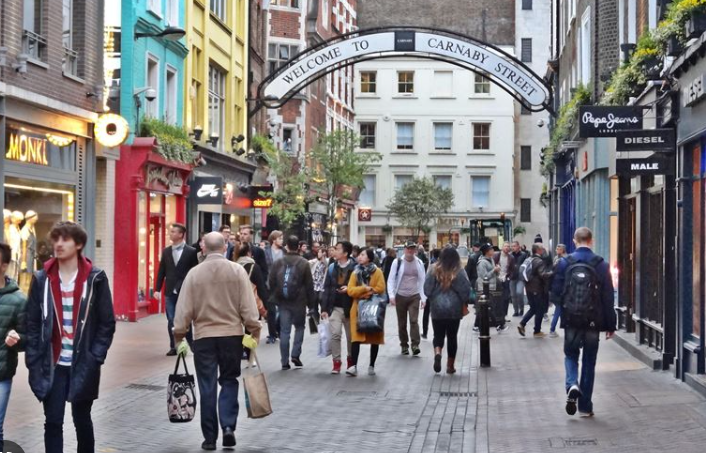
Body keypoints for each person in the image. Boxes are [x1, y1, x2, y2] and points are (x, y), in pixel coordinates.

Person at [25, 221, 116, 453]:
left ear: (79, 244)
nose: (58, 244)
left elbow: (107, 323)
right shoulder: (42, 279)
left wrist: (96, 356)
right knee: (53, 421)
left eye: (64, 239)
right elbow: (32, 322)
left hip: (83, 362)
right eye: (55, 239)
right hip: (52, 363)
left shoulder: (95, 279)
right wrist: (34, 357)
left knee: (81, 420)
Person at [173, 232, 262, 450]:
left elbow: (183, 310)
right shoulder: (237, 271)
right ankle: (228, 426)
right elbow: (249, 308)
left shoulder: (194, 274)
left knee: (207, 385)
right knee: (229, 380)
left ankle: (210, 438)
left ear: (204, 248)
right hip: (232, 335)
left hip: (203, 337)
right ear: (224, 248)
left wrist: (179, 336)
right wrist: (253, 330)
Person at [551, 227, 615, 417]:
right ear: (591, 241)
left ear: (574, 240)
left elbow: (554, 292)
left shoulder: (564, 263)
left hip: (571, 319)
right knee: (589, 361)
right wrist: (610, 325)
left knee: (570, 355)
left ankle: (572, 384)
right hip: (593, 321)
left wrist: (564, 309)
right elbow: (608, 298)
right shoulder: (601, 265)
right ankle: (585, 406)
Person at [268, 236, 316, 370]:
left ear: (287, 246)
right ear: (299, 247)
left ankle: (284, 361)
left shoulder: (278, 262)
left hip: (283, 301)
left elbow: (271, 281)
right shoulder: (304, 263)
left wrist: (275, 295)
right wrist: (311, 305)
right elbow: (309, 285)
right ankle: (295, 354)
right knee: (300, 328)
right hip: (299, 301)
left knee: (284, 331)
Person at [154, 223, 199, 356]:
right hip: (169, 291)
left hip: (185, 290)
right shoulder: (166, 251)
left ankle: (191, 343)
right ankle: (174, 345)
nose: (170, 233)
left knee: (185, 318)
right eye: (171, 231)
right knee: (171, 319)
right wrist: (157, 289)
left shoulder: (191, 251)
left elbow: (194, 271)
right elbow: (162, 270)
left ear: (181, 234)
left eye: (173, 231)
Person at [424, 247, 471, 374]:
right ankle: (450, 366)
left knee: (438, 335)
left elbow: (427, 290)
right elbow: (466, 290)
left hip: (437, 308)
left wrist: (434, 295)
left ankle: (438, 353)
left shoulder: (433, 269)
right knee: (452, 337)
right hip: (454, 309)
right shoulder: (459, 271)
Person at [0, 242, 27, 443]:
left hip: (1, 375)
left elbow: (27, 339)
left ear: (4, 265)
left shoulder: (18, 300)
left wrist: (16, 341)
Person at [346, 248, 386, 376]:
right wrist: (365, 288)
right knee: (355, 338)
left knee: (374, 336)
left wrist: (366, 292)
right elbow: (350, 290)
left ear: (369, 257)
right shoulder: (355, 272)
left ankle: (371, 365)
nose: (360, 257)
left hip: (373, 308)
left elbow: (381, 288)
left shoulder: (377, 272)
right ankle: (353, 366)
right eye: (360, 255)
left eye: (363, 255)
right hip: (357, 308)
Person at [320, 241, 357, 374]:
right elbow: (327, 288)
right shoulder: (332, 267)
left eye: (337, 249)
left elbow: (362, 286)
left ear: (345, 253)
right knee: (335, 334)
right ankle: (336, 362)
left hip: (351, 307)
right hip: (334, 306)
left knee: (350, 337)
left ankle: (351, 362)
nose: (334, 251)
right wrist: (324, 308)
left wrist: (349, 289)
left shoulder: (356, 267)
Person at [387, 240, 427, 356]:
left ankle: (415, 345)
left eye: (413, 249)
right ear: (404, 249)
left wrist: (423, 298)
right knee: (402, 322)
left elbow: (422, 281)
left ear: (415, 250)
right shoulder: (397, 262)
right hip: (400, 296)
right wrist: (391, 295)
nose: (410, 251)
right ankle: (404, 345)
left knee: (414, 321)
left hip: (414, 296)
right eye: (408, 248)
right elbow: (391, 280)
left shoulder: (419, 262)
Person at [235, 242, 270, 360]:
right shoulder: (254, 267)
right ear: (249, 253)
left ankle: (239, 350)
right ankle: (249, 352)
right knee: (251, 327)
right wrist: (266, 306)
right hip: (251, 302)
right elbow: (261, 288)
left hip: (235, 302)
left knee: (238, 326)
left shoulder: (233, 266)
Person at [517, 243, 554, 338]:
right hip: (537, 288)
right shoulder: (539, 261)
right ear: (538, 250)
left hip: (529, 288)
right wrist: (553, 272)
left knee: (533, 308)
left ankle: (522, 324)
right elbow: (543, 275)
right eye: (542, 248)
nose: (544, 250)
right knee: (540, 310)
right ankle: (537, 331)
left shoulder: (529, 259)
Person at [476, 243, 509, 332]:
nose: (493, 251)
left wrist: (497, 270)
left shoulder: (491, 260)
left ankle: (476, 326)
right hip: (484, 288)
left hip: (492, 286)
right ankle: (498, 325)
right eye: (491, 249)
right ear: (487, 252)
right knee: (488, 307)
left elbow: (494, 273)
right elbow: (484, 277)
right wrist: (494, 270)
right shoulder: (482, 263)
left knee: (486, 307)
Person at [264, 230, 285, 344]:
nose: (282, 240)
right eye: (280, 238)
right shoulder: (265, 251)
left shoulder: (284, 252)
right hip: (269, 285)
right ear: (273, 239)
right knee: (271, 311)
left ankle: (279, 330)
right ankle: (272, 334)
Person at [492, 243, 516, 323]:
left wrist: (509, 278)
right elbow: (492, 266)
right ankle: (497, 315)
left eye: (508, 246)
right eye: (505, 246)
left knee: (505, 298)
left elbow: (512, 270)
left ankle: (504, 315)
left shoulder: (511, 257)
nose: (507, 248)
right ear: (502, 247)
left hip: (505, 279)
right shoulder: (496, 256)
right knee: (497, 298)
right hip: (497, 279)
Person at [422, 248, 442, 339]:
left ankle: (425, 332)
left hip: (431, 293)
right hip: (439, 294)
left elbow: (427, 279)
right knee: (437, 314)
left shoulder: (431, 265)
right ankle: (437, 332)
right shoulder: (443, 265)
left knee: (426, 313)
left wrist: (426, 293)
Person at [549, 244, 568, 338]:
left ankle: (557, 328)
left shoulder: (563, 259)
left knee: (560, 309)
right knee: (559, 309)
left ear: (563, 250)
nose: (557, 250)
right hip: (559, 288)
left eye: (559, 249)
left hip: (558, 288)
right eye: (556, 248)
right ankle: (552, 329)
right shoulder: (558, 259)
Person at [510, 241, 529, 316]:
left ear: (518, 246)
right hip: (512, 277)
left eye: (514, 246)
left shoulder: (524, 255)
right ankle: (516, 311)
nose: (513, 248)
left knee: (519, 292)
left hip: (520, 277)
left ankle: (521, 308)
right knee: (513, 295)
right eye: (512, 246)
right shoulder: (510, 255)